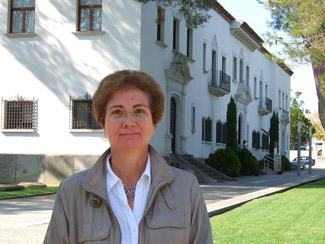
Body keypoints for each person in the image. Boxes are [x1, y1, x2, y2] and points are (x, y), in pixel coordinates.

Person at [44, 70, 213, 244]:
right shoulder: (72, 193)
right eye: (117, 112)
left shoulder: (186, 188)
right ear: (103, 124)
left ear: (154, 123)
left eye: (139, 111)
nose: (129, 121)